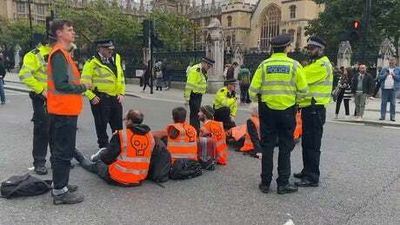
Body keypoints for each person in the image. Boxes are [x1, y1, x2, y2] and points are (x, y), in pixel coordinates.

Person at [249, 34, 308, 194]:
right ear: (287, 47)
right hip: (288, 111)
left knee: (267, 146)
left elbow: (252, 91)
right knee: (285, 146)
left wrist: (260, 99)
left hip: (267, 111)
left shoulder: (264, 65)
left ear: (272, 48)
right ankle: (283, 184)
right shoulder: (295, 66)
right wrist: (295, 100)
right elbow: (304, 91)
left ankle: (265, 183)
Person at [47, 20, 90, 205]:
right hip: (62, 111)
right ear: (59, 33)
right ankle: (59, 192)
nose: (73, 33)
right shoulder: (59, 54)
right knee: (63, 151)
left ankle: (61, 185)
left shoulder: (64, 53)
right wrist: (83, 87)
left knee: (64, 149)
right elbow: (61, 84)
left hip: (65, 110)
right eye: (69, 30)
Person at [77, 110, 155, 186]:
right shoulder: (150, 136)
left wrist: (114, 139)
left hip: (119, 176)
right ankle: (96, 156)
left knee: (98, 164)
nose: (124, 122)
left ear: (129, 121)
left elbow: (107, 158)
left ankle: (79, 156)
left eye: (125, 119)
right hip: (139, 177)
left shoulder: (121, 135)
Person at [295, 36, 333, 188]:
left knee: (312, 144)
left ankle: (312, 177)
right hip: (309, 109)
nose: (309, 51)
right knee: (307, 143)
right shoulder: (316, 63)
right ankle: (307, 171)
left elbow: (302, 77)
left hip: (315, 109)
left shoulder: (322, 65)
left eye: (312, 48)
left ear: (320, 49)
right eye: (308, 48)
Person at [81, 39, 125, 149]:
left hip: (115, 98)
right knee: (101, 126)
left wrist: (121, 93)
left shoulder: (116, 59)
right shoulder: (91, 62)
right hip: (100, 98)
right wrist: (91, 96)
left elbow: (121, 77)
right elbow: (83, 83)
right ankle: (103, 149)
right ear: (100, 49)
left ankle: (117, 148)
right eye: (108, 49)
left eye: (111, 49)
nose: (111, 51)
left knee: (118, 126)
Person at [18, 41, 52, 174]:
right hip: (42, 98)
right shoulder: (35, 55)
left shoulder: (61, 53)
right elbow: (24, 74)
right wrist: (41, 90)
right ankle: (39, 162)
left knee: (56, 130)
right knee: (42, 130)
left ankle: (56, 160)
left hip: (58, 98)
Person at [184, 57, 214, 132]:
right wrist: (187, 99)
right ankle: (195, 131)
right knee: (195, 115)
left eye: (210, 67)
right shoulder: (196, 70)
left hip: (198, 96)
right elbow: (189, 85)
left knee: (196, 114)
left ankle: (194, 130)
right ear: (204, 63)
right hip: (194, 95)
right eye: (208, 66)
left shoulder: (202, 71)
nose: (209, 68)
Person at [378, 57, 400, 121]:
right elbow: (379, 77)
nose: (391, 62)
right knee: (383, 103)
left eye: (393, 61)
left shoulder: (398, 69)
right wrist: (385, 74)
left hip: (394, 89)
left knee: (393, 103)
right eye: (390, 61)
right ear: (389, 62)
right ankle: (382, 116)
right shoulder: (384, 69)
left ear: (395, 62)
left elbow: (399, 79)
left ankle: (392, 117)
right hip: (385, 88)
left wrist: (394, 75)